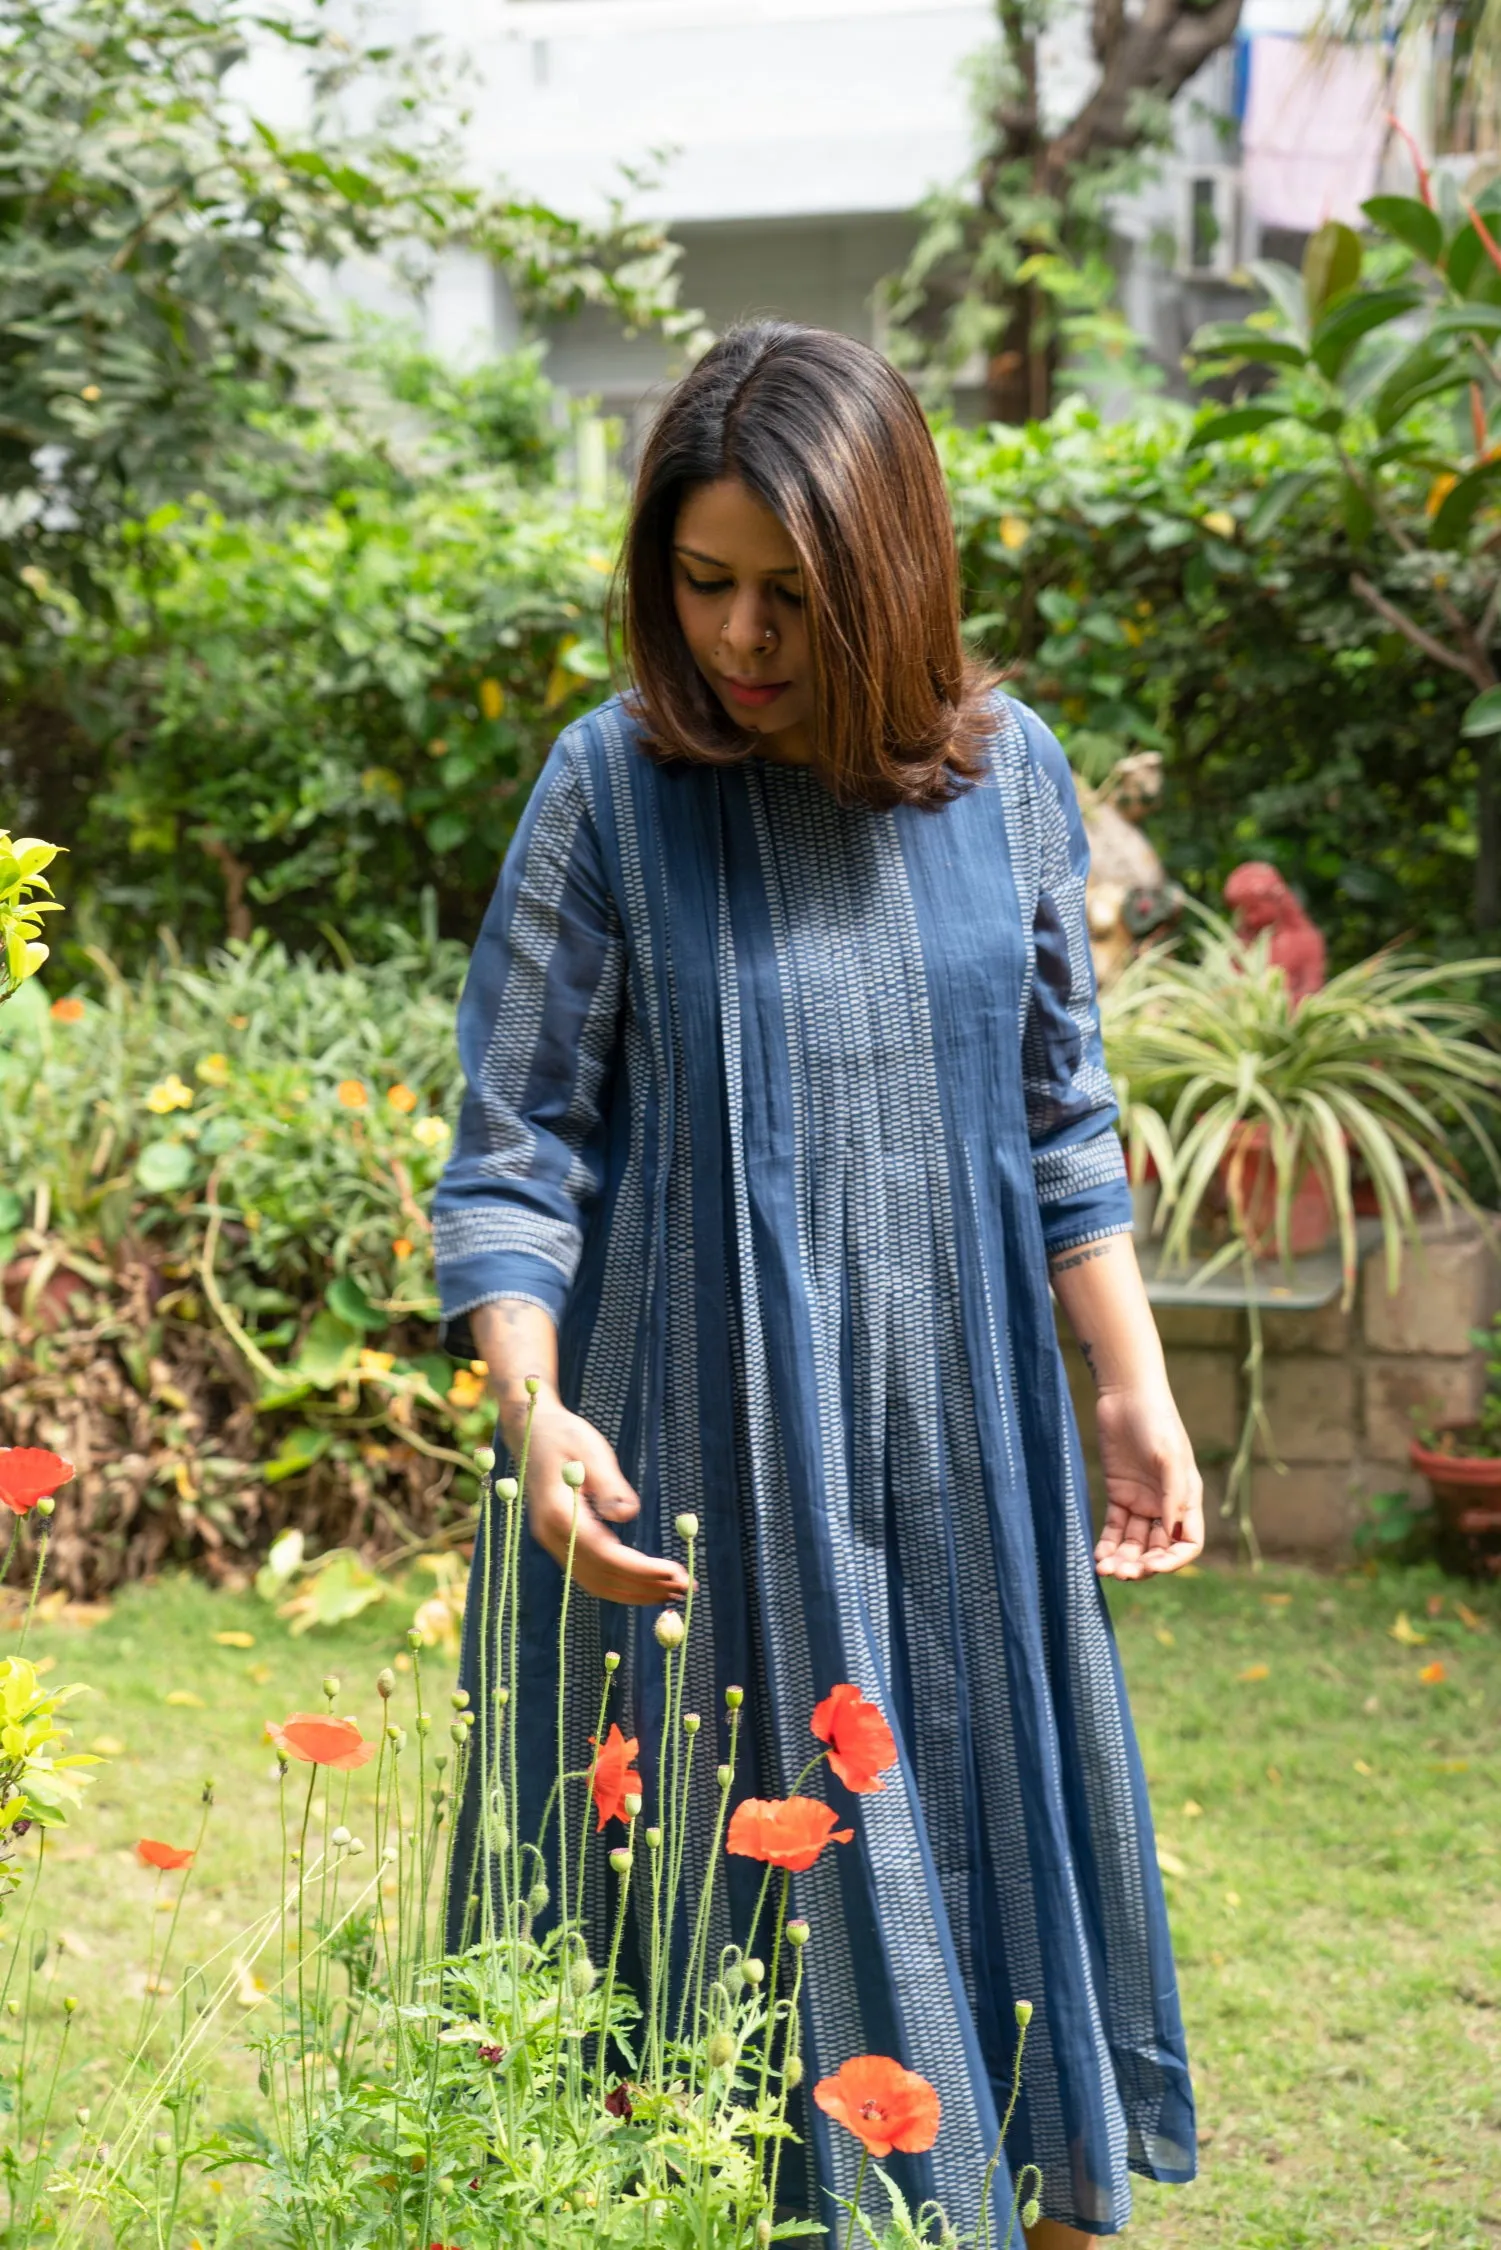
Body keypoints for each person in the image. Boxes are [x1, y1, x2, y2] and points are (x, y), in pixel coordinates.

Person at [433, 322, 1202, 2243]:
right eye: (704, 585)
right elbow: (515, 1151)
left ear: (891, 576)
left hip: (958, 1455)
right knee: (713, 1975)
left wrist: (1128, 1378)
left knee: (999, 1897)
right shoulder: (610, 791)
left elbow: (1061, 1113)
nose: (744, 640)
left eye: (792, 593)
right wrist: (538, 1416)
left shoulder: (1007, 777)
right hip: (693, 1466)